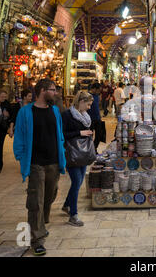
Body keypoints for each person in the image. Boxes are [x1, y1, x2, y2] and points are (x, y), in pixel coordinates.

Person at [13, 79, 66, 256]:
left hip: (53, 161)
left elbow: (59, 134)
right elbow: (19, 136)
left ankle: (41, 224)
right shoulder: (25, 112)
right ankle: (37, 238)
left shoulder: (55, 110)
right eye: (52, 90)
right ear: (42, 91)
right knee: (36, 200)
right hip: (35, 162)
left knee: (50, 195)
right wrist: (21, 157)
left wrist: (62, 154)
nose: (55, 93)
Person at [61, 91, 94, 226]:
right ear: (80, 102)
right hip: (72, 153)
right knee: (76, 182)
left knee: (79, 182)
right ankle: (73, 215)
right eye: (88, 104)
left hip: (83, 153)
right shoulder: (67, 115)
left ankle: (67, 205)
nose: (89, 107)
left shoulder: (85, 116)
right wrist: (79, 133)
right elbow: (63, 134)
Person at [87, 83, 105, 151]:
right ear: (94, 89)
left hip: (97, 118)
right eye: (98, 90)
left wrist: (100, 116)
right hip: (90, 119)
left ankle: (94, 148)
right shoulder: (88, 96)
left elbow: (97, 107)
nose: (99, 92)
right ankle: (90, 150)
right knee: (90, 136)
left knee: (99, 135)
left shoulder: (97, 96)